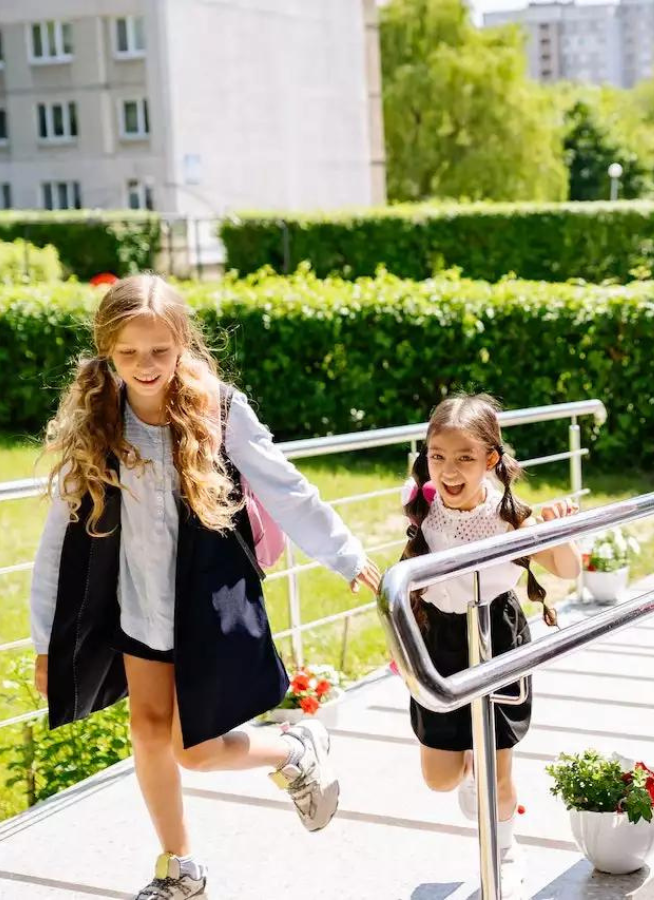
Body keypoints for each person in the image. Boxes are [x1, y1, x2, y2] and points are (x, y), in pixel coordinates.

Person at [30, 274, 382, 900]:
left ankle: (292, 748)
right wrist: (44, 644)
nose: (145, 365)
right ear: (107, 349)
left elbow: (284, 485)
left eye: (159, 351)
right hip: (136, 610)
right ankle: (179, 868)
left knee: (194, 751)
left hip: (204, 603)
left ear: (182, 345)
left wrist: (343, 552)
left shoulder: (217, 407)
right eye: (129, 353)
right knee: (147, 732)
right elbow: (58, 541)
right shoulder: (96, 421)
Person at [399, 394, 581, 899]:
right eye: (439, 456)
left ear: (490, 460)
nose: (449, 469)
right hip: (439, 639)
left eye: (464, 458)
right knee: (440, 778)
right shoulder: (421, 503)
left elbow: (568, 571)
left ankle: (505, 850)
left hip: (496, 638)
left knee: (495, 770)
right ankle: (470, 781)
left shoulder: (510, 516)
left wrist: (557, 531)